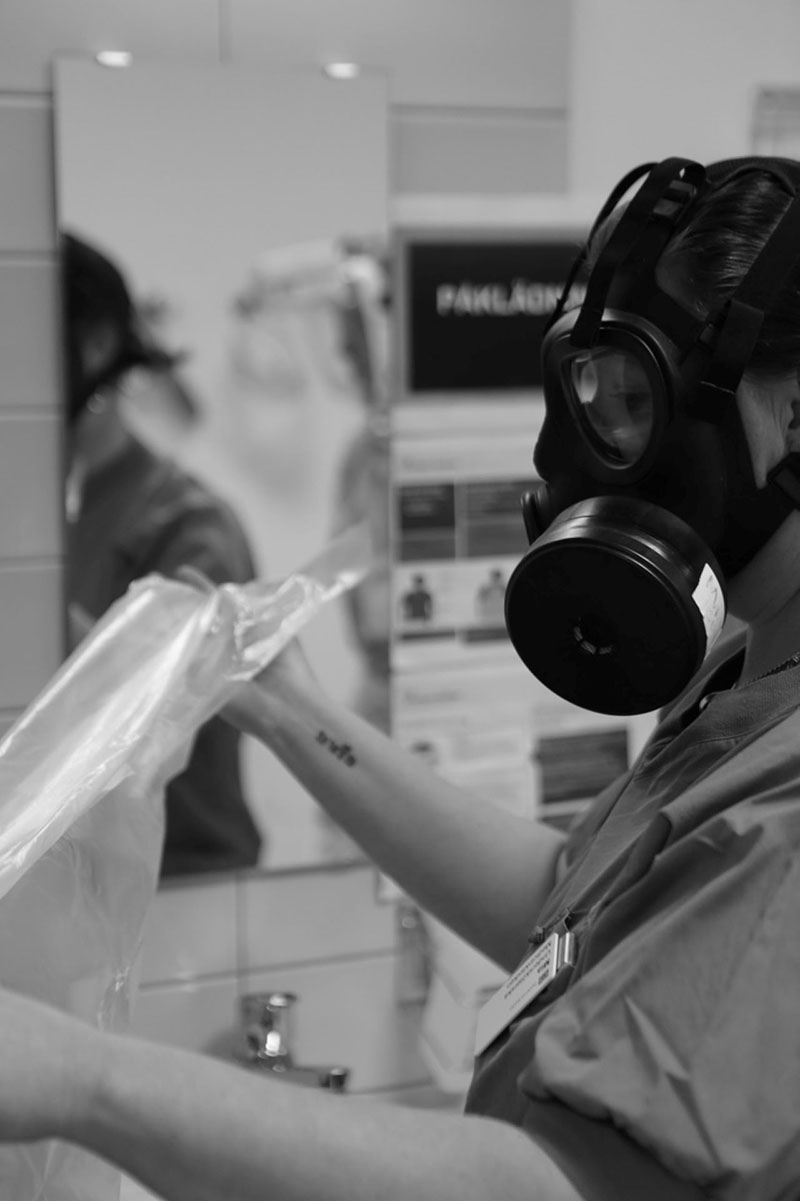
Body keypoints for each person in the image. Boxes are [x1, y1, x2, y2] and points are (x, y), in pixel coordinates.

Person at [1, 155, 799, 1200]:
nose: (587, 459)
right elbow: (565, 905)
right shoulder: (743, 671)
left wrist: (83, 1080)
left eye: (636, 401)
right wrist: (286, 709)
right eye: (593, 397)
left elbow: (559, 1186)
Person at [62, 230, 263, 876]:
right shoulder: (35, 523)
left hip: (182, 893)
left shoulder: (188, 526)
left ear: (95, 345)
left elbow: (156, 717)